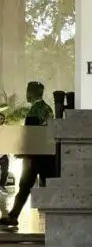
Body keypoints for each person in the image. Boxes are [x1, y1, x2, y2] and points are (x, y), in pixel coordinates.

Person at [0, 81, 56, 230]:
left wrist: (23, 151)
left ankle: (13, 217)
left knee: (24, 186)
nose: (26, 94)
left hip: (34, 156)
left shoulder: (35, 110)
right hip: (46, 154)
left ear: (33, 93)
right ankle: (15, 216)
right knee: (44, 185)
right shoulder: (47, 109)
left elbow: (30, 134)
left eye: (28, 91)